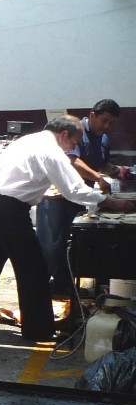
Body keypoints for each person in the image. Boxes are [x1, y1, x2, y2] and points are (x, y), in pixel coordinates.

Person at [0, 116, 132, 342]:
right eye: (74, 142)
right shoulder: (51, 152)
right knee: (33, 268)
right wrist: (111, 202)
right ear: (63, 135)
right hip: (10, 210)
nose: (73, 148)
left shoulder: (29, 140)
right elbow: (74, 190)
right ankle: (38, 330)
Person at [36, 100, 122, 294]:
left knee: (73, 243)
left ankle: (65, 284)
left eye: (111, 123)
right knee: (51, 245)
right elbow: (72, 161)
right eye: (104, 120)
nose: (106, 126)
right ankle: (43, 287)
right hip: (59, 197)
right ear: (92, 115)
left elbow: (100, 163)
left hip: (82, 197)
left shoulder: (103, 138)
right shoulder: (76, 132)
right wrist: (98, 178)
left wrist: (112, 170)